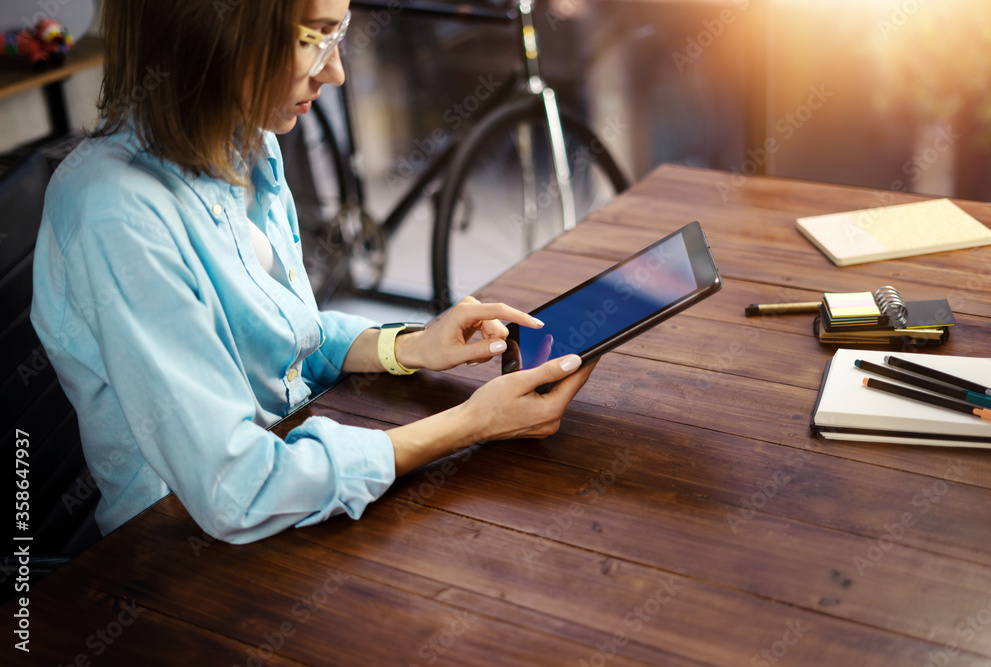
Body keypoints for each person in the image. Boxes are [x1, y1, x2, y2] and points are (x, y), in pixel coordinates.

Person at [31, 0, 595, 544]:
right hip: (178, 550)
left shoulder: (248, 140)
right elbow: (237, 491)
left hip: (292, 489)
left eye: (339, 32)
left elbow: (287, 335)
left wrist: (411, 347)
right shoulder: (118, 212)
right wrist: (472, 425)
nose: (338, 71)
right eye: (313, 38)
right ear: (212, 28)